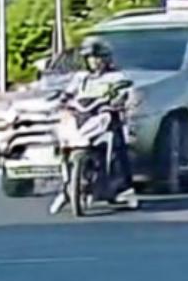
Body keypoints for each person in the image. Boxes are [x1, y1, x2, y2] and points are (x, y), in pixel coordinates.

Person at [50, 38, 138, 214]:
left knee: (118, 147)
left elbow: (127, 94)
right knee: (61, 141)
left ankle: (124, 189)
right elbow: (68, 93)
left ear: (106, 59)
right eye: (90, 58)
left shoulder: (116, 77)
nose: (94, 62)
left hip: (105, 116)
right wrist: (61, 101)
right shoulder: (81, 78)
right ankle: (66, 187)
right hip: (83, 116)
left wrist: (119, 103)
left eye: (97, 58)